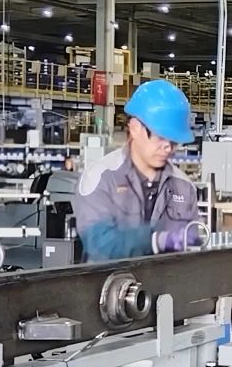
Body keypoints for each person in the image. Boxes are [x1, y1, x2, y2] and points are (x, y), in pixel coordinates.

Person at [74, 79, 200, 260]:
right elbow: (99, 243)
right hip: (112, 277)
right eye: (160, 137)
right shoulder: (101, 178)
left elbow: (192, 252)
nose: (167, 147)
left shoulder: (184, 187)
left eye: (174, 140)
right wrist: (154, 241)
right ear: (135, 128)